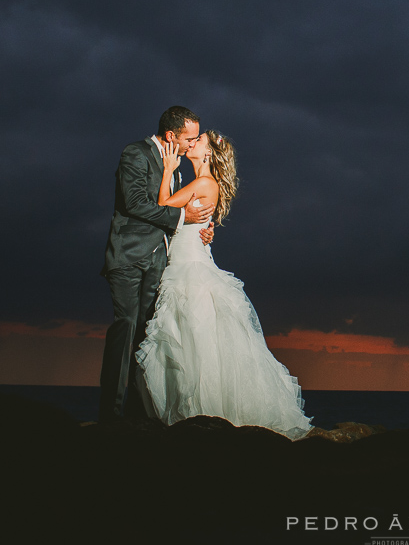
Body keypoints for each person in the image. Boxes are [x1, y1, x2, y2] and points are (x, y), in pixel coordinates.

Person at [135, 129, 314, 439]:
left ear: (207, 154)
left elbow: (163, 205)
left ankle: (200, 420)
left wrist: (166, 169)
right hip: (188, 262)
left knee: (193, 344)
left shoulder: (203, 182)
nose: (193, 142)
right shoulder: (198, 183)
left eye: (199, 140)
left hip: (190, 270)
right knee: (191, 343)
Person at [98, 106, 216, 423]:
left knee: (147, 337)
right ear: (170, 136)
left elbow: (176, 209)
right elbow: (135, 203)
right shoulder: (135, 154)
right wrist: (183, 217)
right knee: (124, 330)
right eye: (189, 139)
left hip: (160, 262)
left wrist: (199, 228)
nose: (193, 144)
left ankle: (139, 416)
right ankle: (109, 417)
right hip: (128, 257)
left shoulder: (175, 168)